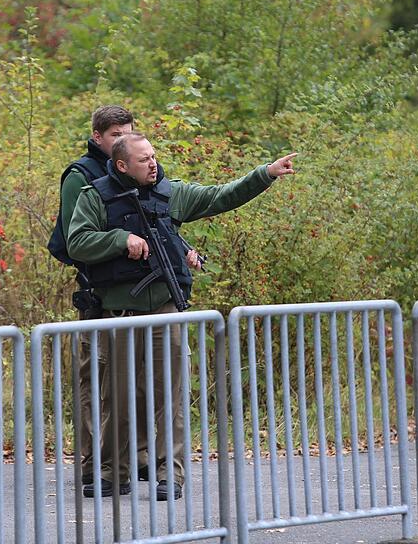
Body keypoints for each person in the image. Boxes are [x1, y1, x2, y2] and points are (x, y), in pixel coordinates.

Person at [67, 132, 297, 500]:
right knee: (116, 398)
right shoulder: (94, 195)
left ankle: (169, 474)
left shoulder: (169, 193)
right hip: (119, 314)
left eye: (153, 156)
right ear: (122, 165)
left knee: (170, 399)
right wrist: (120, 240)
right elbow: (76, 242)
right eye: (144, 159)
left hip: (165, 312)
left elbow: (219, 196)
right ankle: (112, 471)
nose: (153, 164)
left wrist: (265, 174)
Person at [47, 107, 204, 497]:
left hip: (157, 299)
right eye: (116, 133)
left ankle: (151, 463)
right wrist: (120, 242)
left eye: (128, 132)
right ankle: (98, 465)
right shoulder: (84, 179)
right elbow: (76, 240)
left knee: (162, 390)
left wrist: (179, 249)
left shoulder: (152, 180)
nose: (125, 139)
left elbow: (159, 221)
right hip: (105, 296)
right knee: (104, 386)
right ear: (99, 138)